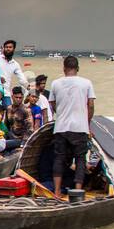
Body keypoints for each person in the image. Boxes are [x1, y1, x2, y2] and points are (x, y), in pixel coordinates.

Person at [48, 55, 96, 198]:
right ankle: (77, 190)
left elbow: (52, 104)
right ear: (78, 69)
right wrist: (87, 121)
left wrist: (61, 112)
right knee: (80, 159)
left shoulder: (56, 83)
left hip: (61, 127)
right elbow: (91, 105)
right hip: (79, 127)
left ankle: (56, 192)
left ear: (64, 69)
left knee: (59, 158)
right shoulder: (86, 83)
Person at [0, 40, 29, 108]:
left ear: (13, 49)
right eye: (6, 47)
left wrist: (29, 87)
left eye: (10, 47)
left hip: (6, 92)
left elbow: (22, 78)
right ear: (3, 48)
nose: (8, 49)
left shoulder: (15, 64)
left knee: (9, 111)